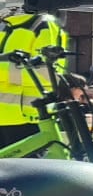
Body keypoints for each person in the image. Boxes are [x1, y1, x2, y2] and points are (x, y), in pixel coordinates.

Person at [0, 9, 66, 148]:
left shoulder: (43, 25)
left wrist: (3, 72)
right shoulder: (5, 26)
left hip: (26, 120)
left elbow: (46, 75)